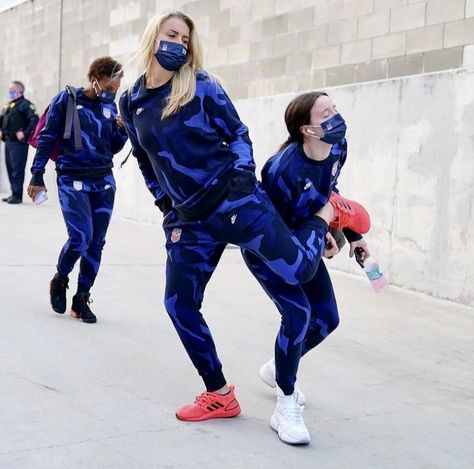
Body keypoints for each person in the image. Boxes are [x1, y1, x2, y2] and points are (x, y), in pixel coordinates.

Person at [119, 11, 369, 427]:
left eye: (184, 38)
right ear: (153, 38)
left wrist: (239, 176)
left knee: (297, 266)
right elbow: (145, 158)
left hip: (236, 203)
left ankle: (325, 218)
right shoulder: (132, 101)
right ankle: (218, 394)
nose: (178, 44)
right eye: (171, 35)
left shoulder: (201, 86)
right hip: (189, 220)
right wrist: (165, 204)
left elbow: (238, 133)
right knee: (179, 305)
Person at [241, 91, 371, 444]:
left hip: (305, 239)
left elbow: (331, 195)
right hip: (269, 247)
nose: (335, 117)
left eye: (335, 109)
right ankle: (285, 404)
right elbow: (272, 226)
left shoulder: (337, 149)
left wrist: (349, 235)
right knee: (298, 315)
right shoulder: (283, 169)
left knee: (326, 319)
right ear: (307, 130)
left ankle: (277, 366)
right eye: (325, 114)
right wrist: (317, 238)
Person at [27, 56, 128, 324]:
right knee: (80, 237)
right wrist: (36, 174)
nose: (113, 90)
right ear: (97, 78)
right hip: (72, 180)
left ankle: (82, 298)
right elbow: (48, 136)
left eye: (116, 87)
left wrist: (123, 131)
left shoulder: (110, 105)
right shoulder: (68, 100)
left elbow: (112, 147)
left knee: (97, 243)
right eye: (111, 84)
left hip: (103, 181)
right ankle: (60, 279)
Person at [0, 81, 39, 204]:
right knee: (10, 168)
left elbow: (34, 120)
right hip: (8, 141)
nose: (9, 91)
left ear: (19, 91)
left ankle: (17, 195)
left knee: (17, 169)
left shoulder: (25, 105)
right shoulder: (9, 105)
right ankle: (14, 193)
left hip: (19, 143)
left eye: (12, 89)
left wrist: (25, 133)